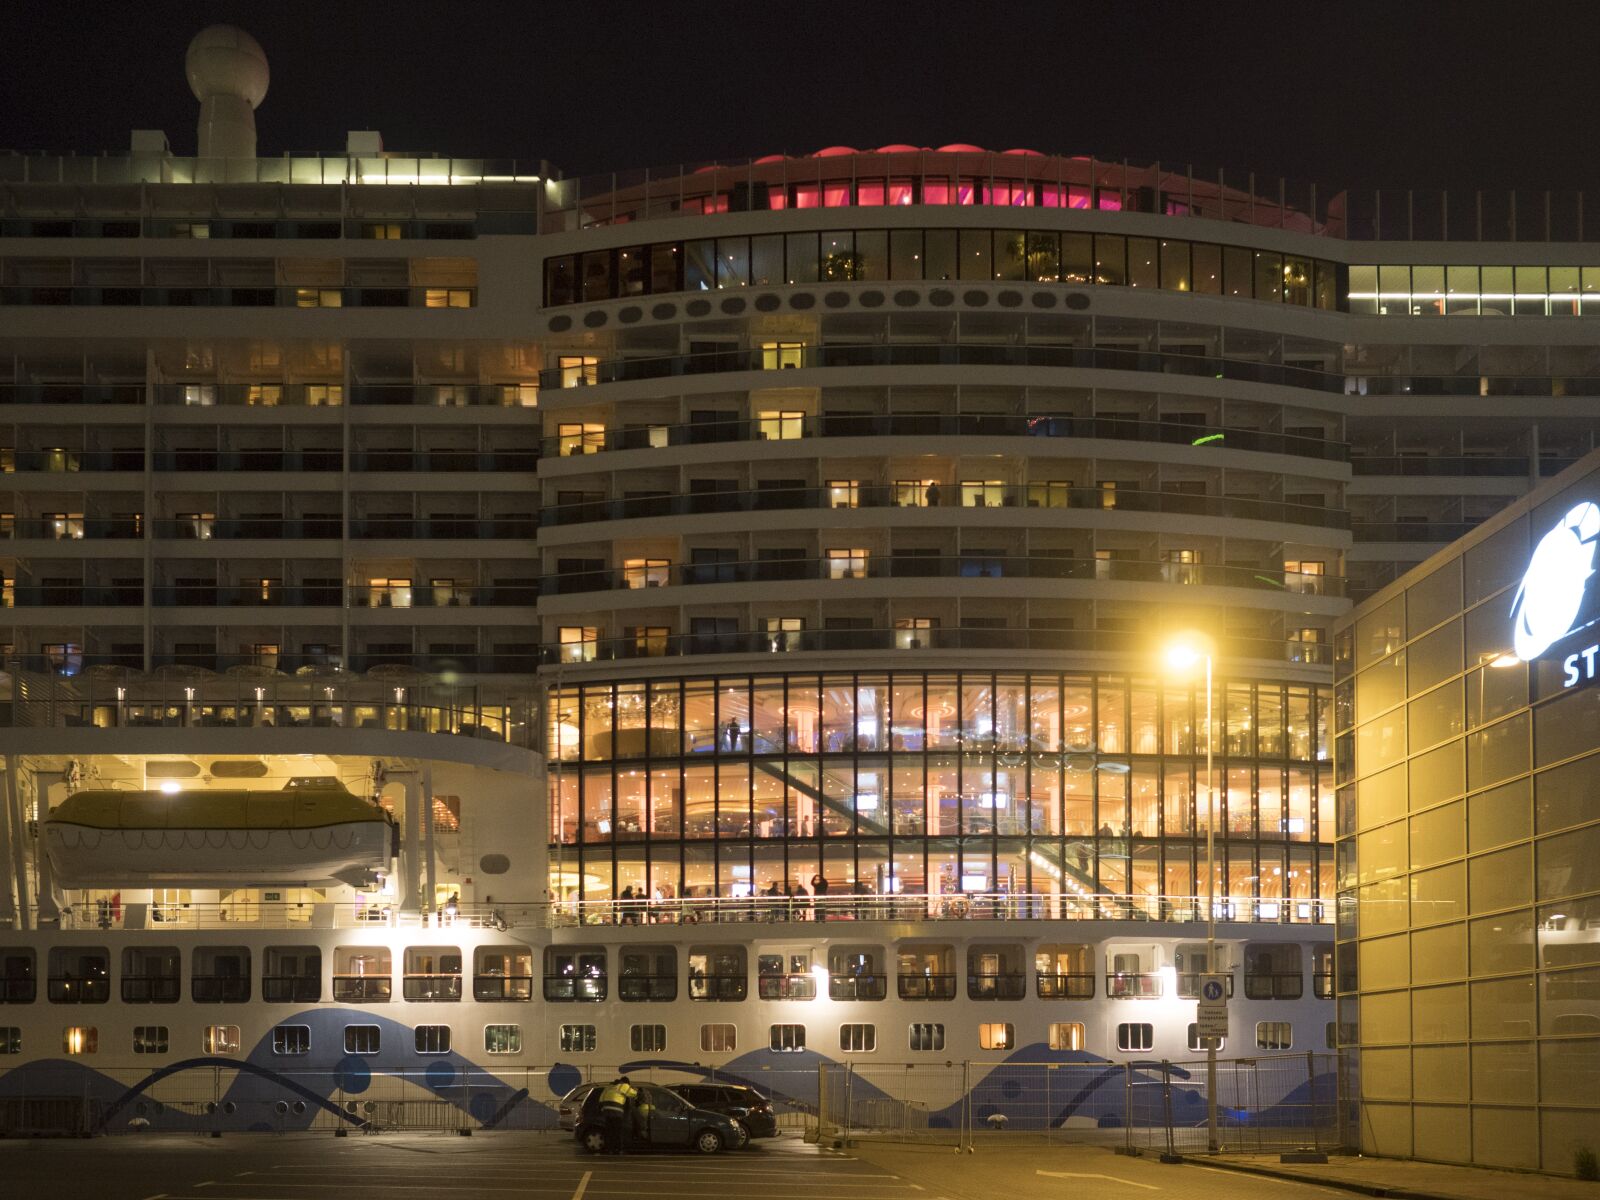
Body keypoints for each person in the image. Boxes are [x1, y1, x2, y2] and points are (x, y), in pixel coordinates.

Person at [597, 1075, 637, 1155]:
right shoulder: (624, 1085)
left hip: (606, 1111)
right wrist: (635, 1089)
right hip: (616, 1111)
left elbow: (600, 1099)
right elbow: (634, 1094)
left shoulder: (609, 1087)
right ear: (626, 1082)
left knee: (609, 1131)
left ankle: (609, 1149)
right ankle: (618, 1149)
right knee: (617, 1131)